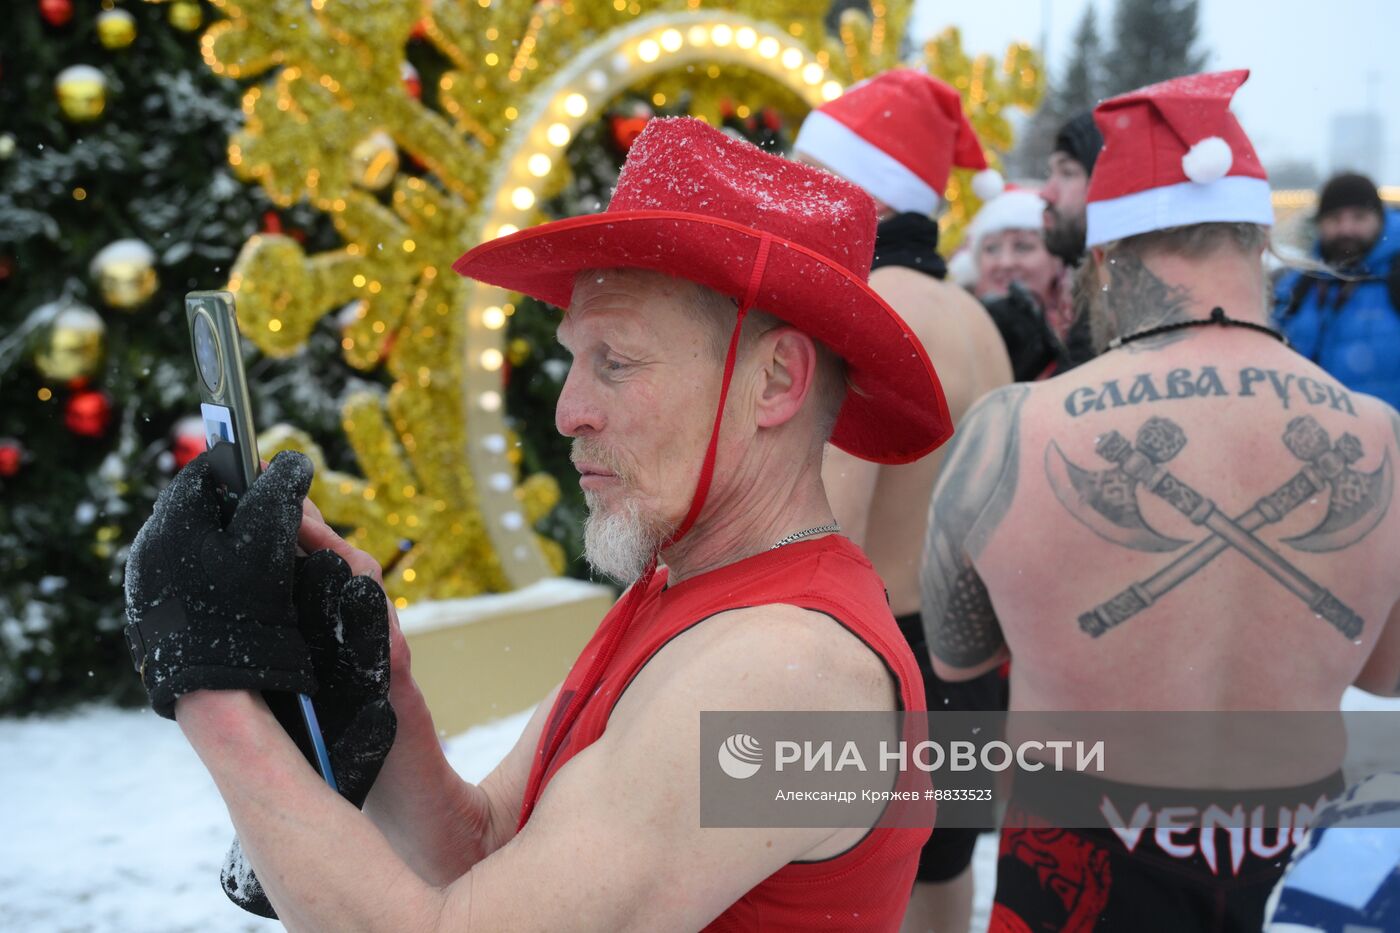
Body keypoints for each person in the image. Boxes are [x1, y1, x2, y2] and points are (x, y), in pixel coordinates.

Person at [122, 117, 949, 930]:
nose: (567, 411)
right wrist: (383, 677)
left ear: (775, 381)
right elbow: (485, 852)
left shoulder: (786, 670)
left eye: (615, 362)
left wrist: (212, 687)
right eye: (572, 359)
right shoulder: (688, 590)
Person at [920, 69, 1400, 931]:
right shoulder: (1380, 438)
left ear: (1105, 261)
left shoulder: (1012, 433)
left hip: (1066, 881)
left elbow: (957, 668)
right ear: (1260, 241)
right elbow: (1385, 668)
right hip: (1275, 881)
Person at [792, 69, 1012, 933]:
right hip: (969, 658)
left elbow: (826, 527)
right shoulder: (974, 314)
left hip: (880, 660)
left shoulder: (870, 311)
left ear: (866, 195)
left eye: (815, 173)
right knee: (943, 879)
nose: (796, 191)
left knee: (851, 898)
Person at [1274, 172, 1400, 409]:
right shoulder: (1297, 286)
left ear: (1380, 218)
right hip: (1315, 436)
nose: (1346, 229)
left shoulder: (1394, 277)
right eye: (1334, 218)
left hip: (1390, 440)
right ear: (1320, 223)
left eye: (1359, 217)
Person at [962, 188, 1072, 381]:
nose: (1005, 262)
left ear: (1056, 260)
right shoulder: (955, 326)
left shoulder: (1083, 329)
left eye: (1023, 247)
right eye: (992, 248)